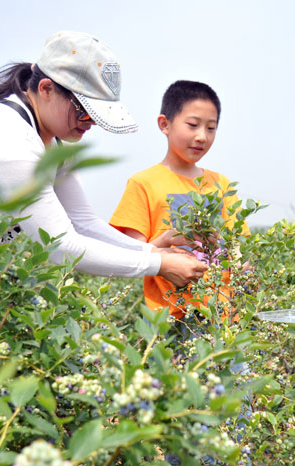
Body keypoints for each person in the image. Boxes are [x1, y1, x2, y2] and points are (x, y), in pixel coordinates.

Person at [0, 31, 206, 318]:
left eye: (97, 114)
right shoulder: (6, 135)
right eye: (84, 110)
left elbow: (82, 222)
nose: (90, 123)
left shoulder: (49, 142)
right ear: (45, 89)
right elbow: (62, 247)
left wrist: (149, 252)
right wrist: (158, 265)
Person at [109, 80, 248, 320]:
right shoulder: (143, 184)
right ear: (165, 124)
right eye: (192, 125)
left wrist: (244, 268)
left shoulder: (222, 185)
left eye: (211, 128)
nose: (202, 136)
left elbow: (239, 249)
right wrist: (166, 240)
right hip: (170, 317)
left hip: (224, 315)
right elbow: (132, 256)